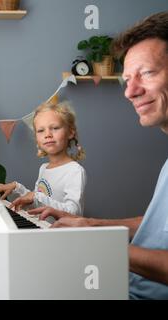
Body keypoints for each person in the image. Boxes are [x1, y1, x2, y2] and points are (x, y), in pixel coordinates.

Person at [29, 11, 168, 299]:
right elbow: (159, 226)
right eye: (127, 79)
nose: (130, 91)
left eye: (148, 73)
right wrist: (89, 224)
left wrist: (96, 243)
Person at [0, 101, 87, 215]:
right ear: (36, 138)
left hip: (61, 232)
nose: (47, 134)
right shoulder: (44, 168)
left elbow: (73, 212)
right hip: (43, 229)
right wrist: (17, 188)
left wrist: (36, 197)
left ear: (70, 132)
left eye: (55, 128)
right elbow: (37, 201)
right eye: (41, 130)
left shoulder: (74, 171)